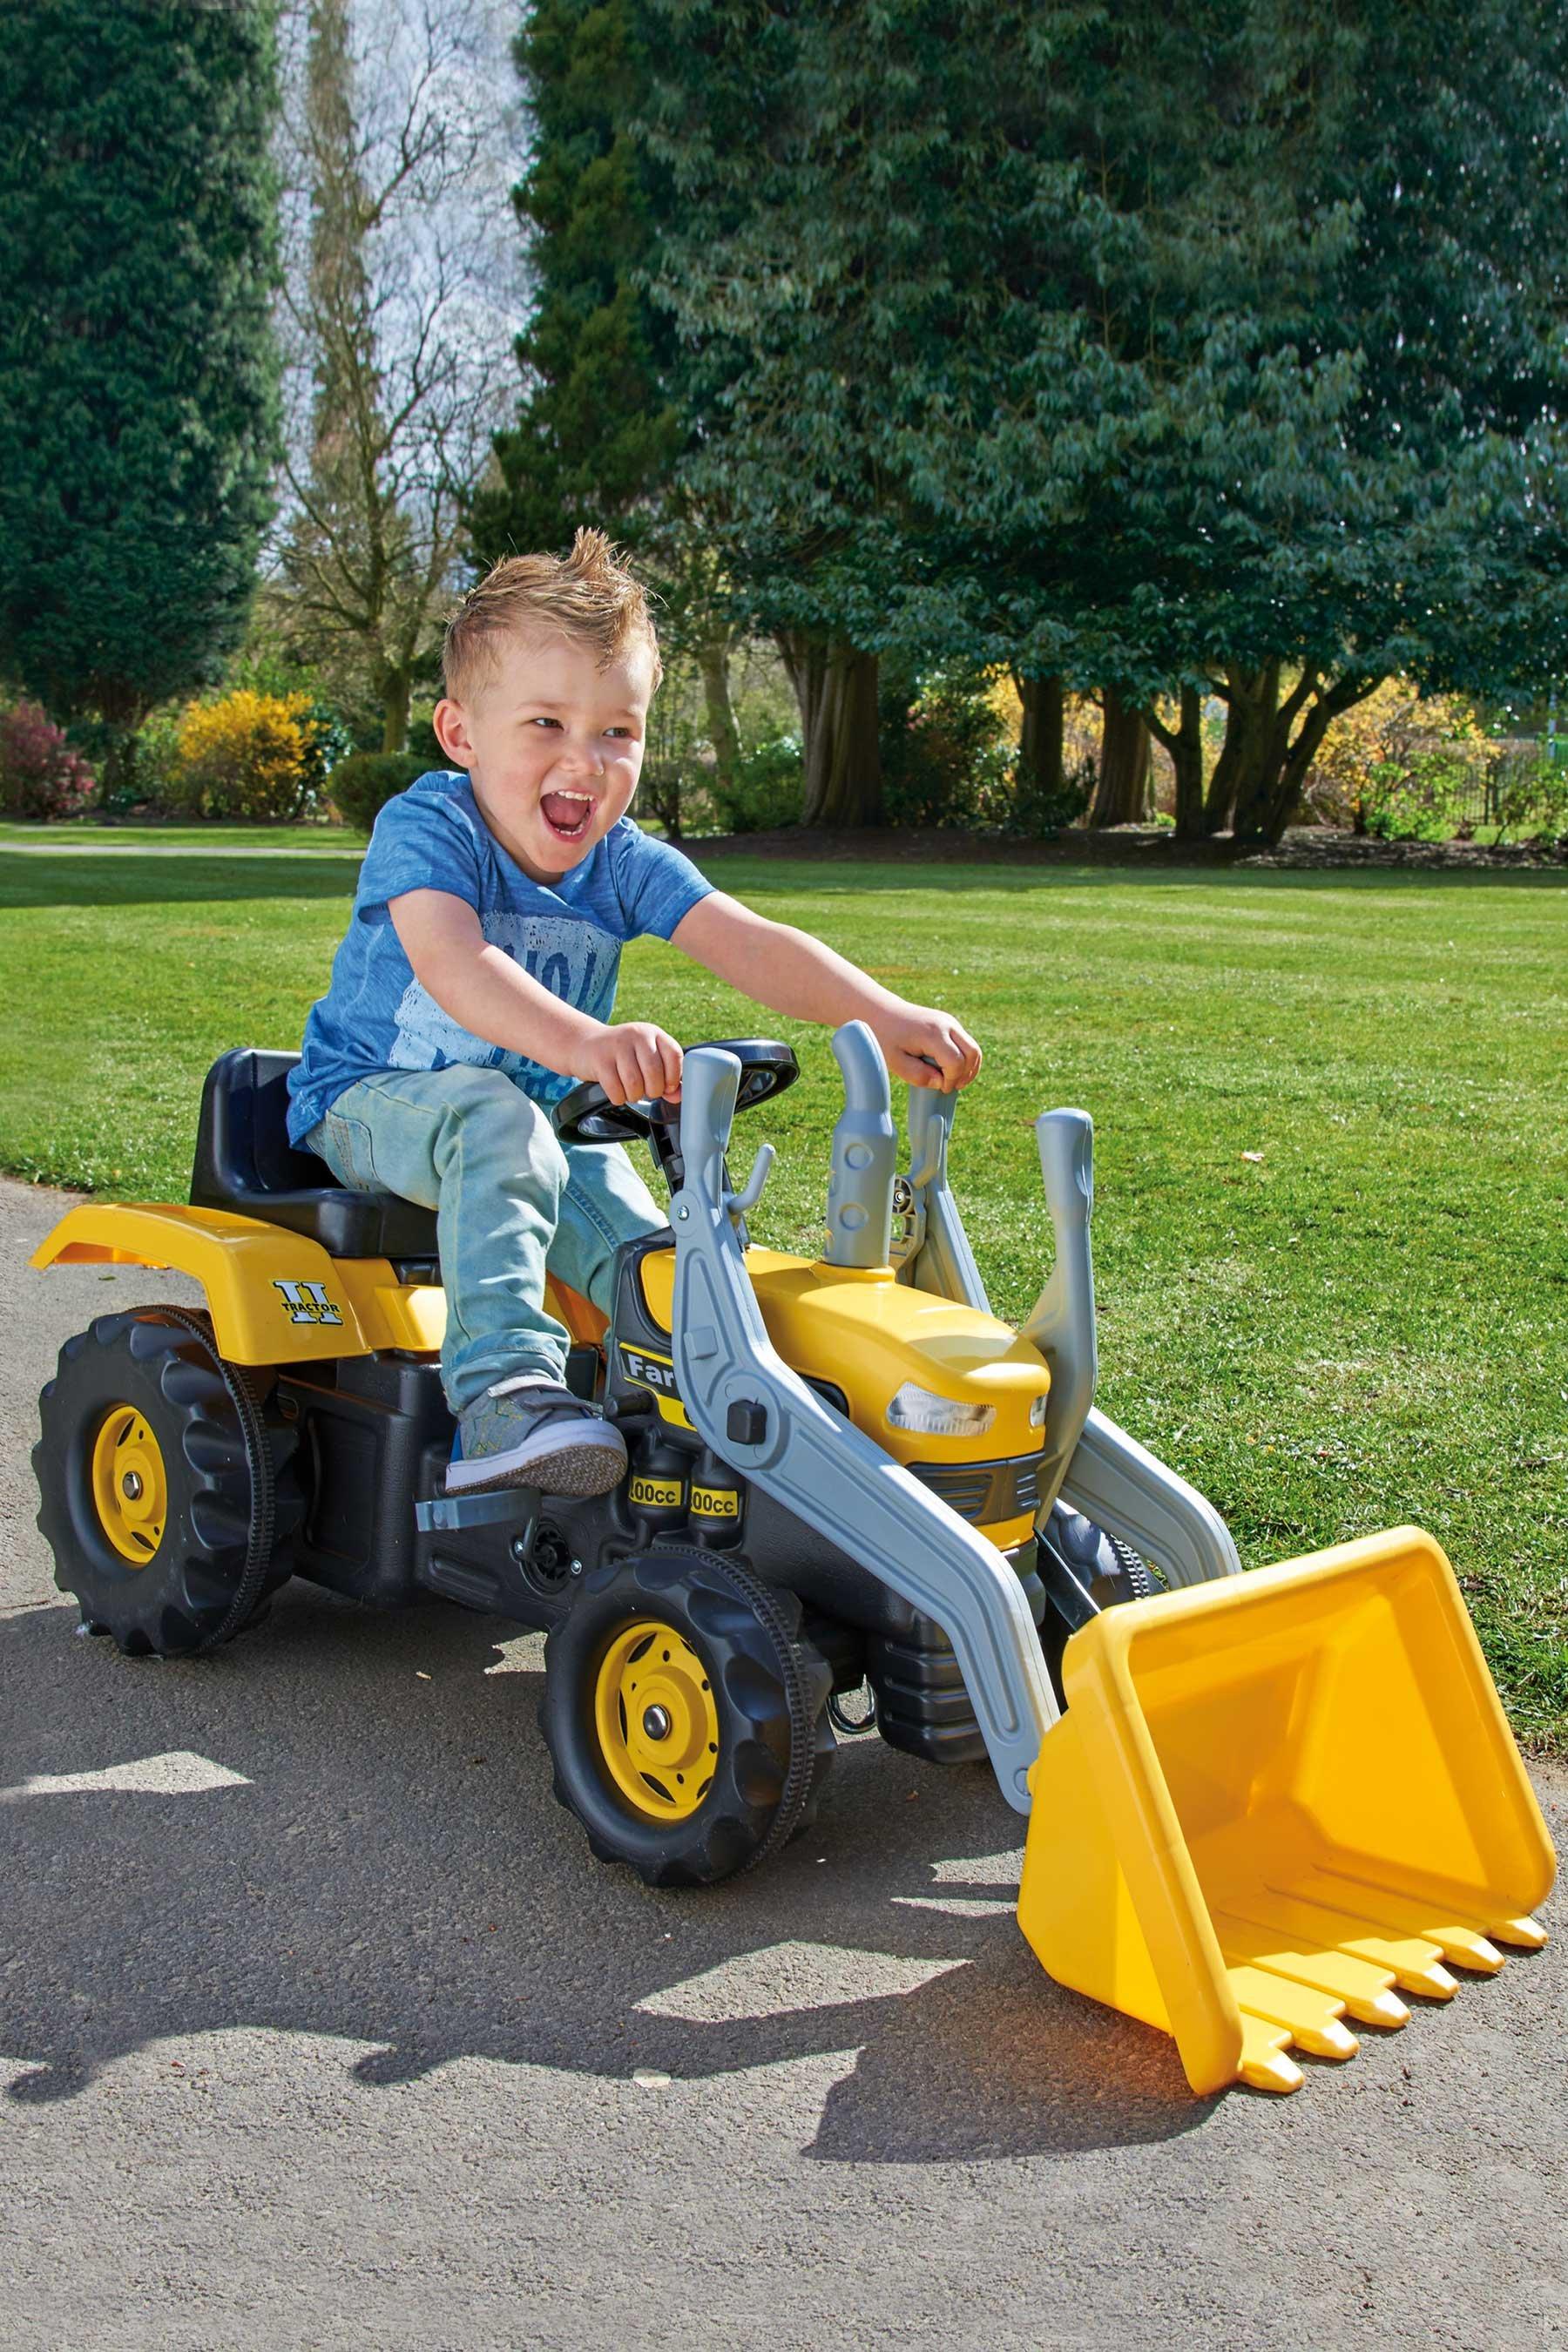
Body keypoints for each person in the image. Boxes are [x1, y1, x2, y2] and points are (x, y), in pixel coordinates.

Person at [287, 530, 982, 1499]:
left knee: (656, 1264)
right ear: (461, 734)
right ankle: (499, 1395)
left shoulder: (618, 859)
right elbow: (457, 967)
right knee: (494, 1115)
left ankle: (692, 1436)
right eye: (546, 724)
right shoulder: (430, 827)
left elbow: (746, 939)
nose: (588, 761)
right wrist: (590, 1044)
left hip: (547, 1126)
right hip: (375, 1099)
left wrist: (880, 1014)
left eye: (618, 731)